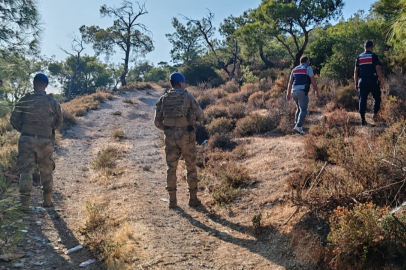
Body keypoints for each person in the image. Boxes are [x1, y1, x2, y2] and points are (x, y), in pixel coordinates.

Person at [10, 73, 63, 210]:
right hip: (45, 140)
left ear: (34, 83)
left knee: (26, 170)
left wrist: (24, 129)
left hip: (26, 139)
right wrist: (49, 130)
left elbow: (14, 119)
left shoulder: (24, 100)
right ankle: (47, 201)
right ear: (45, 85)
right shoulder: (52, 102)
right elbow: (59, 120)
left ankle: (24, 205)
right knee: (46, 170)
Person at [154, 72, 204, 208]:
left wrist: (168, 129)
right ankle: (193, 199)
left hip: (169, 137)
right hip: (186, 137)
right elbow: (201, 116)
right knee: (191, 166)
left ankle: (172, 201)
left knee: (171, 168)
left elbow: (157, 122)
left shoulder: (163, 98)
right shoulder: (188, 96)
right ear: (181, 83)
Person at [286, 56, 320, 134]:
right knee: (303, 110)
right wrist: (316, 91)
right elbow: (313, 80)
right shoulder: (308, 68)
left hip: (293, 91)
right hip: (302, 91)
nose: (309, 62)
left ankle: (296, 125)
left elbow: (290, 82)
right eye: (309, 60)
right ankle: (298, 126)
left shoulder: (294, 69)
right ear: (306, 61)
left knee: (299, 108)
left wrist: (288, 93)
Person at [354, 40, 383, 126]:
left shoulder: (359, 57)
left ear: (364, 48)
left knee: (362, 99)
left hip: (362, 81)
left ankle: (363, 119)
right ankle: (375, 114)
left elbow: (355, 72)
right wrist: (381, 80)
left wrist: (356, 83)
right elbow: (378, 69)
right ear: (371, 47)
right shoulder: (374, 56)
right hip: (373, 80)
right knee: (377, 97)